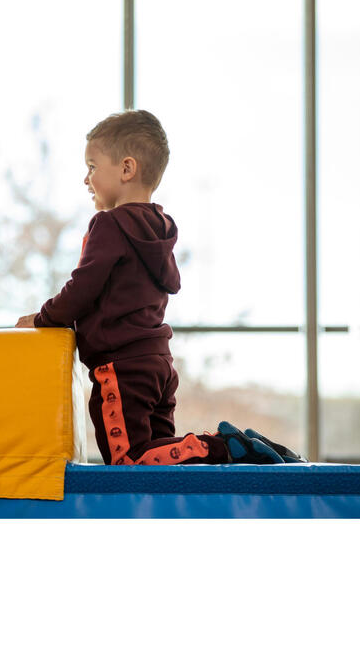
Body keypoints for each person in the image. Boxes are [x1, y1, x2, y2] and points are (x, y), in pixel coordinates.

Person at [16, 109, 303, 465]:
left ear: (126, 169)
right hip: (158, 365)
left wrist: (44, 318)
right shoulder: (161, 226)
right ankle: (236, 446)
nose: (85, 179)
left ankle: (221, 446)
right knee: (160, 464)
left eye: (92, 167)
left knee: (128, 462)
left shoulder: (109, 224)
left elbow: (82, 287)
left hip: (120, 369)